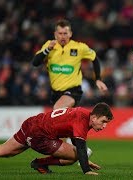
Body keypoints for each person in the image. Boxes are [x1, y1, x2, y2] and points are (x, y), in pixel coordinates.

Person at [0, 102, 114, 175]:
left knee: (3, 151)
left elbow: (75, 140)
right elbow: (80, 147)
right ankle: (39, 163)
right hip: (40, 135)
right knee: (74, 156)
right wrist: (85, 168)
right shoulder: (82, 120)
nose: (104, 126)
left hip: (31, 124)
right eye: (104, 121)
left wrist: (82, 158)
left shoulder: (81, 113)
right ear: (95, 117)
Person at [31, 19, 108, 157]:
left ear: (70, 33)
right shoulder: (49, 46)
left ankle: (65, 150)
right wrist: (48, 49)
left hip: (73, 91)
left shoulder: (79, 47)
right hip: (55, 92)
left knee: (57, 113)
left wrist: (98, 79)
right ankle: (79, 151)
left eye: (65, 33)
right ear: (55, 34)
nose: (62, 36)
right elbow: (35, 62)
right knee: (68, 126)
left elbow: (95, 58)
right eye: (60, 33)